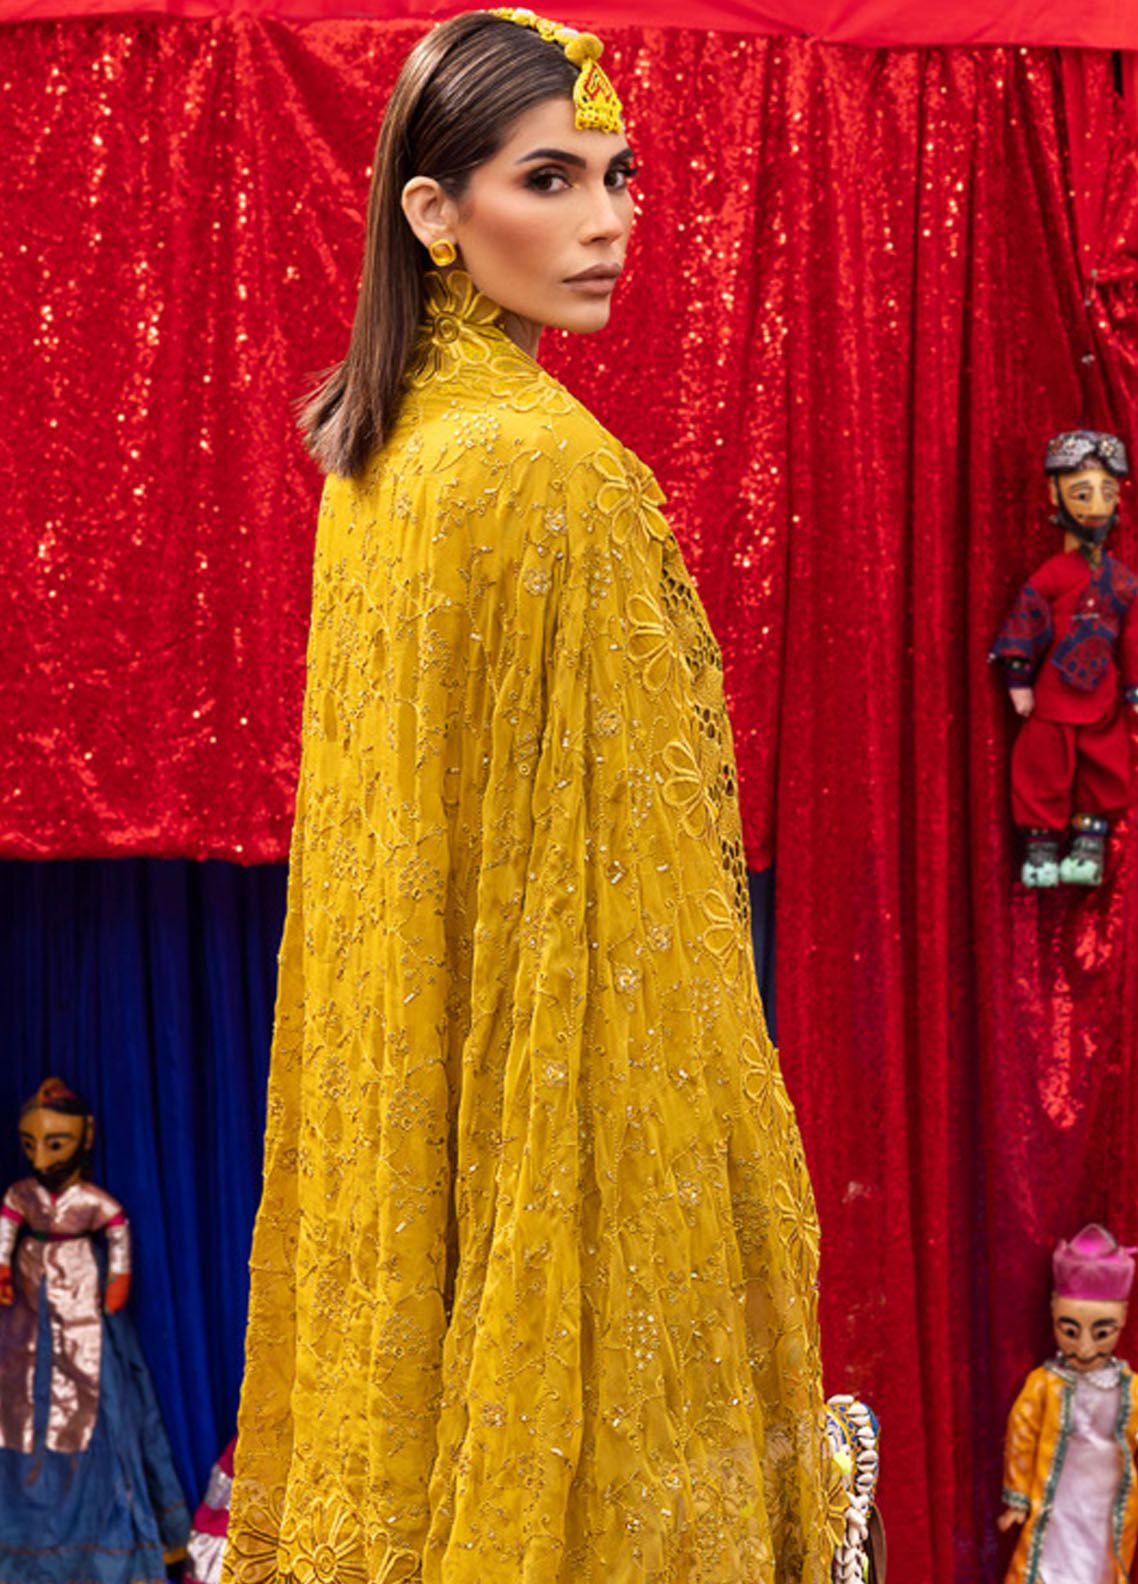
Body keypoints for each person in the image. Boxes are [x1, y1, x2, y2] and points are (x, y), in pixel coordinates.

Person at [223, 12, 834, 1583]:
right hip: (557, 1122)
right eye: (549, 179)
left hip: (410, 1137)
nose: (607, 220)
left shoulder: (384, 459)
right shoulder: (548, 474)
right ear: (432, 212)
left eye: (618, 177)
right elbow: (627, 916)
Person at [0, 1077, 189, 1584]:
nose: (41, 1158)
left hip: (83, 1297)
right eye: (30, 1145)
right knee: (19, 1403)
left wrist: (118, 1279)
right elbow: (7, 1224)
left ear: (84, 1137)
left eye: (54, 1143)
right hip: (25, 1306)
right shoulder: (23, 1195)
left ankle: (102, 1545)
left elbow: (117, 1231)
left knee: (98, 1403)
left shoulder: (90, 1201)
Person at [991, 430, 1138, 888]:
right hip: (1054, 697)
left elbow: (1132, 637)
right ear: (1055, 495)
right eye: (1082, 493)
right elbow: (1026, 620)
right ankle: (1040, 848)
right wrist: (1018, 678)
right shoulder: (1052, 575)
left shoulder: (1121, 579)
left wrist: (1134, 688)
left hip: (1101, 697)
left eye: (1107, 492)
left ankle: (1087, 845)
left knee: (1104, 765)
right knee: (1042, 766)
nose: (1097, 505)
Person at [998, 1224, 1138, 1584]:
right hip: (1059, 1494)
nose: (1085, 1348)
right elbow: (1022, 1435)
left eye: (1102, 1333)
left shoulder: (1129, 1388)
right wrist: (1017, 1497)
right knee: (1052, 1556)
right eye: (1070, 1331)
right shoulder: (1045, 1385)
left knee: (1100, 1561)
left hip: (1107, 1496)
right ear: (1053, 1314)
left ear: (1123, 1320)